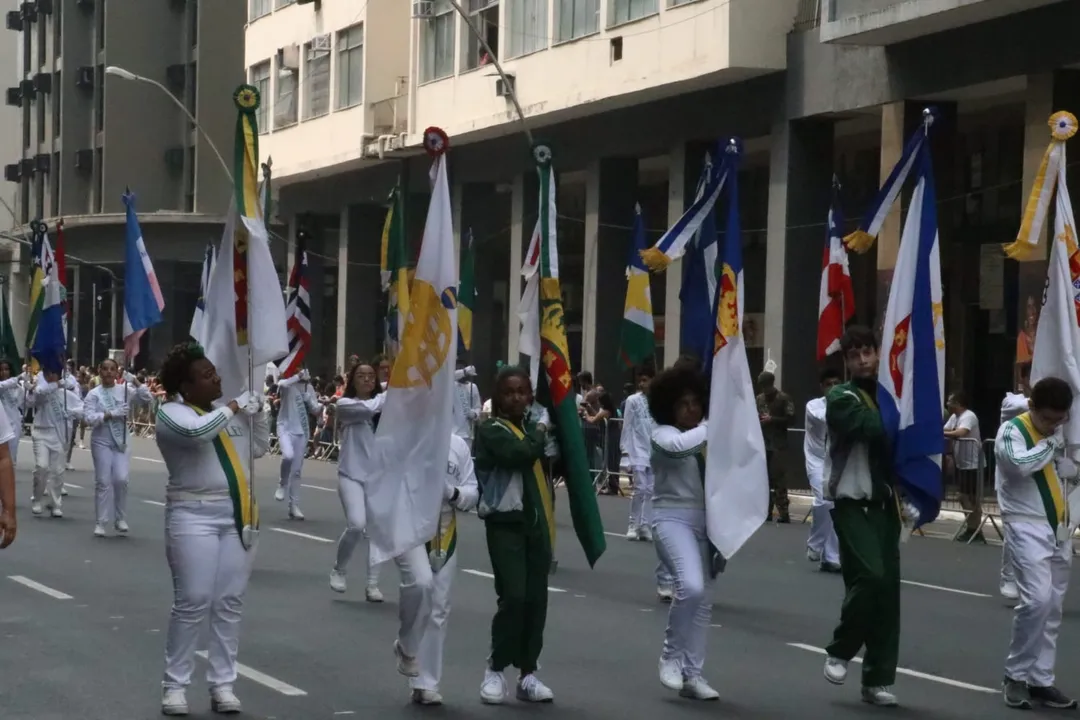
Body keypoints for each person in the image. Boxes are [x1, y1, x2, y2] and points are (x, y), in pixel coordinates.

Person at [155, 342, 268, 716]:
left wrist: (258, 413)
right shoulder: (171, 413)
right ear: (186, 387)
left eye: (214, 371)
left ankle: (223, 684)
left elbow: (260, 449)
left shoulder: (223, 413)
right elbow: (196, 435)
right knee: (193, 601)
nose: (216, 377)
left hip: (238, 515)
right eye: (207, 375)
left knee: (229, 602)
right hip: (192, 515)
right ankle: (175, 686)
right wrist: (236, 406)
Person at [821, 326, 901, 707]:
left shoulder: (891, 394)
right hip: (852, 503)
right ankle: (841, 648)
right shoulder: (841, 397)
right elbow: (872, 427)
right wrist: (903, 407)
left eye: (869, 352)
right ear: (847, 361)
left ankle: (877, 679)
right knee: (869, 576)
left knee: (887, 594)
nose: (864, 360)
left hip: (886, 506)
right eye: (855, 356)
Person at [995, 376, 1077, 710]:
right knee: (1037, 601)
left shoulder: (1054, 432)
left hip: (1058, 527)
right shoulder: (1012, 431)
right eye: (1048, 419)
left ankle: (1041, 679)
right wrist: (1051, 446)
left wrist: (1068, 468)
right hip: (1025, 525)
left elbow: (1053, 472)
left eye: (1060, 420)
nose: (1054, 426)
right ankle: (1015, 675)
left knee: (1053, 607)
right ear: (1031, 407)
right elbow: (1019, 465)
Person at [475, 365, 554, 704]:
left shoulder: (535, 428)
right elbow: (520, 453)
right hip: (505, 525)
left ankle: (528, 673)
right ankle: (495, 668)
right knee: (515, 596)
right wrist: (540, 428)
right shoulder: (491, 428)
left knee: (537, 601)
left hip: (537, 525)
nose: (517, 397)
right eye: (509, 392)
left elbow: (555, 460)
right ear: (498, 396)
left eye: (522, 391)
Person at [648, 364, 720, 701]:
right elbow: (680, 448)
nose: (692, 409)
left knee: (703, 601)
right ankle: (670, 657)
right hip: (670, 518)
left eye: (696, 402)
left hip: (707, 522)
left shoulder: (707, 434)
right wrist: (715, 422)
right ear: (669, 407)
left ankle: (693, 673)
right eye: (683, 403)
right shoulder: (662, 435)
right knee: (689, 587)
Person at [410, 433, 480, 706]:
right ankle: (406, 646)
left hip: (444, 529)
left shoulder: (457, 444)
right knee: (419, 593)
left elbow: (472, 490)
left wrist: (453, 493)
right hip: (412, 525)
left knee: (438, 607)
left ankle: (426, 682)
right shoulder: (409, 435)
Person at [329, 363, 387, 602]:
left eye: (371, 376)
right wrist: (391, 393)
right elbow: (370, 408)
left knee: (376, 532)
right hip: (351, 473)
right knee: (356, 524)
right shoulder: (346, 405)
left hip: (378, 476)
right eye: (361, 376)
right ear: (352, 380)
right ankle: (339, 569)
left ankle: (372, 584)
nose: (366, 380)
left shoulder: (385, 402)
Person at [83, 359, 152, 537]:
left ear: (117, 373)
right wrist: (109, 414)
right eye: (104, 369)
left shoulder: (124, 391)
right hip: (101, 440)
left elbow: (147, 398)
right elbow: (89, 418)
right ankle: (101, 522)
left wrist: (135, 380)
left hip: (121, 440)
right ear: (99, 371)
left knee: (121, 479)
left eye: (112, 369)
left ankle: (120, 518)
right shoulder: (94, 394)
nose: (108, 372)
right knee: (103, 481)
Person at [29, 368, 84, 518]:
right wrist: (53, 385)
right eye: (48, 374)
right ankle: (37, 499)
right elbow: (32, 400)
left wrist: (72, 413)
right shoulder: (42, 392)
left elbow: (82, 408)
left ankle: (55, 503)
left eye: (54, 374)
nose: (51, 376)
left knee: (58, 471)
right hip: (41, 432)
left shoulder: (66, 395)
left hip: (58, 435)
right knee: (42, 467)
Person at [804, 367, 843, 573]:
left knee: (835, 506)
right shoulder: (813, 406)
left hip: (835, 460)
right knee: (823, 500)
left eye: (837, 383)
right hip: (816, 459)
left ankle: (831, 557)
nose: (833, 388)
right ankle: (815, 543)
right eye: (829, 384)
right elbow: (826, 418)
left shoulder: (846, 404)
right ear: (822, 387)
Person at [999, 362, 1032, 603]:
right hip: (1011, 476)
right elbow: (1028, 406)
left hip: (1039, 474)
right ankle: (1008, 576)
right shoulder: (1012, 402)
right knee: (1015, 526)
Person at [273, 368, 320, 520]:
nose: (302, 373)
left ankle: (294, 506)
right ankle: (282, 484)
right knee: (287, 456)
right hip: (285, 427)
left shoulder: (309, 388)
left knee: (297, 471)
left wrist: (318, 404)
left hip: (302, 430)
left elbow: (315, 410)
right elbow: (282, 384)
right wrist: (297, 376)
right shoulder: (288, 385)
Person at [623, 365, 657, 541]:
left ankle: (645, 524)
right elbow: (627, 426)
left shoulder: (658, 400)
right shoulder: (632, 400)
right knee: (640, 488)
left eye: (646, 380)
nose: (642, 384)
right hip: (637, 449)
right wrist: (625, 452)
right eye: (640, 381)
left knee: (651, 489)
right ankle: (633, 524)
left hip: (653, 449)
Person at [944, 391, 983, 542]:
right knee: (964, 497)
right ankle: (972, 527)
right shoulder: (954, 417)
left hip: (972, 463)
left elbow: (961, 432)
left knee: (970, 497)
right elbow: (948, 429)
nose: (947, 404)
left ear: (958, 404)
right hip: (962, 462)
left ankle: (974, 528)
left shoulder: (969, 416)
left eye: (950, 401)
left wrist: (939, 432)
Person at [757, 371, 793, 523]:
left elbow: (791, 419)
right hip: (763, 443)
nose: (765, 390)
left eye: (766, 386)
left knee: (778, 480)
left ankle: (784, 513)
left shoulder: (783, 398)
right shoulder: (759, 399)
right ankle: (766, 512)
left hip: (778, 444)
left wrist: (773, 420)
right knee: (764, 480)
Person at [0, 359, 28, 465]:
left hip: (14, 427)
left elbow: (26, 403)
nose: (3, 372)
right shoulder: (3, 385)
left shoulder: (17, 388)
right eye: (1, 370)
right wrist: (18, 378)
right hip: (2, 426)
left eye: (6, 369)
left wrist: (29, 389)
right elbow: (3, 385)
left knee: (11, 459)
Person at [453, 364, 482, 443]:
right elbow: (449, 378)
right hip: (453, 433)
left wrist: (475, 414)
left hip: (468, 433)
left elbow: (478, 406)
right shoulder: (452, 385)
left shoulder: (473, 387)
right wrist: (464, 371)